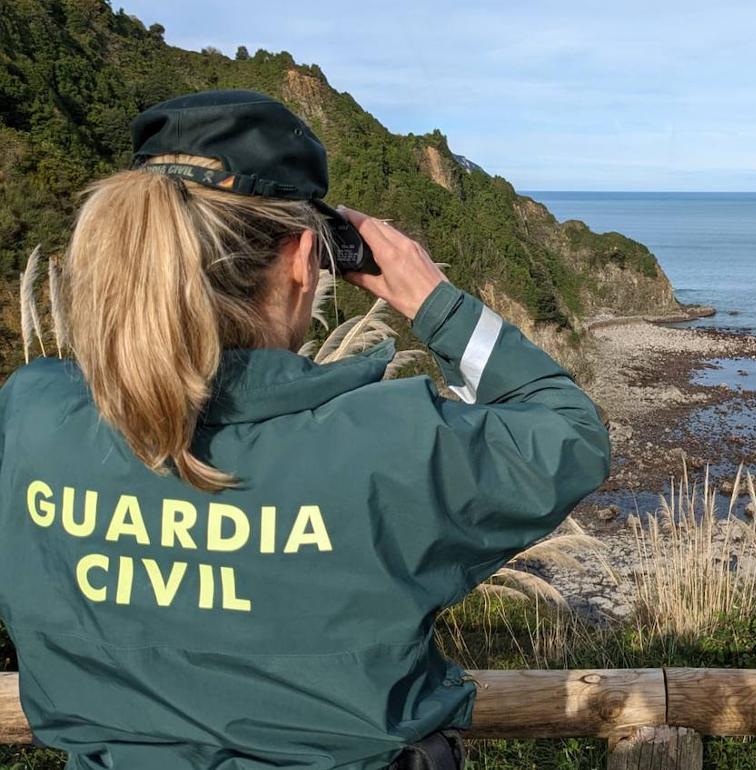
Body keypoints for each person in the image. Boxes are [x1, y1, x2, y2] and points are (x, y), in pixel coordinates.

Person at [0, 90, 611, 770]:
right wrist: (432, 301)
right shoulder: (392, 444)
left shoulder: (33, 418)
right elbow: (569, 431)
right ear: (301, 259)